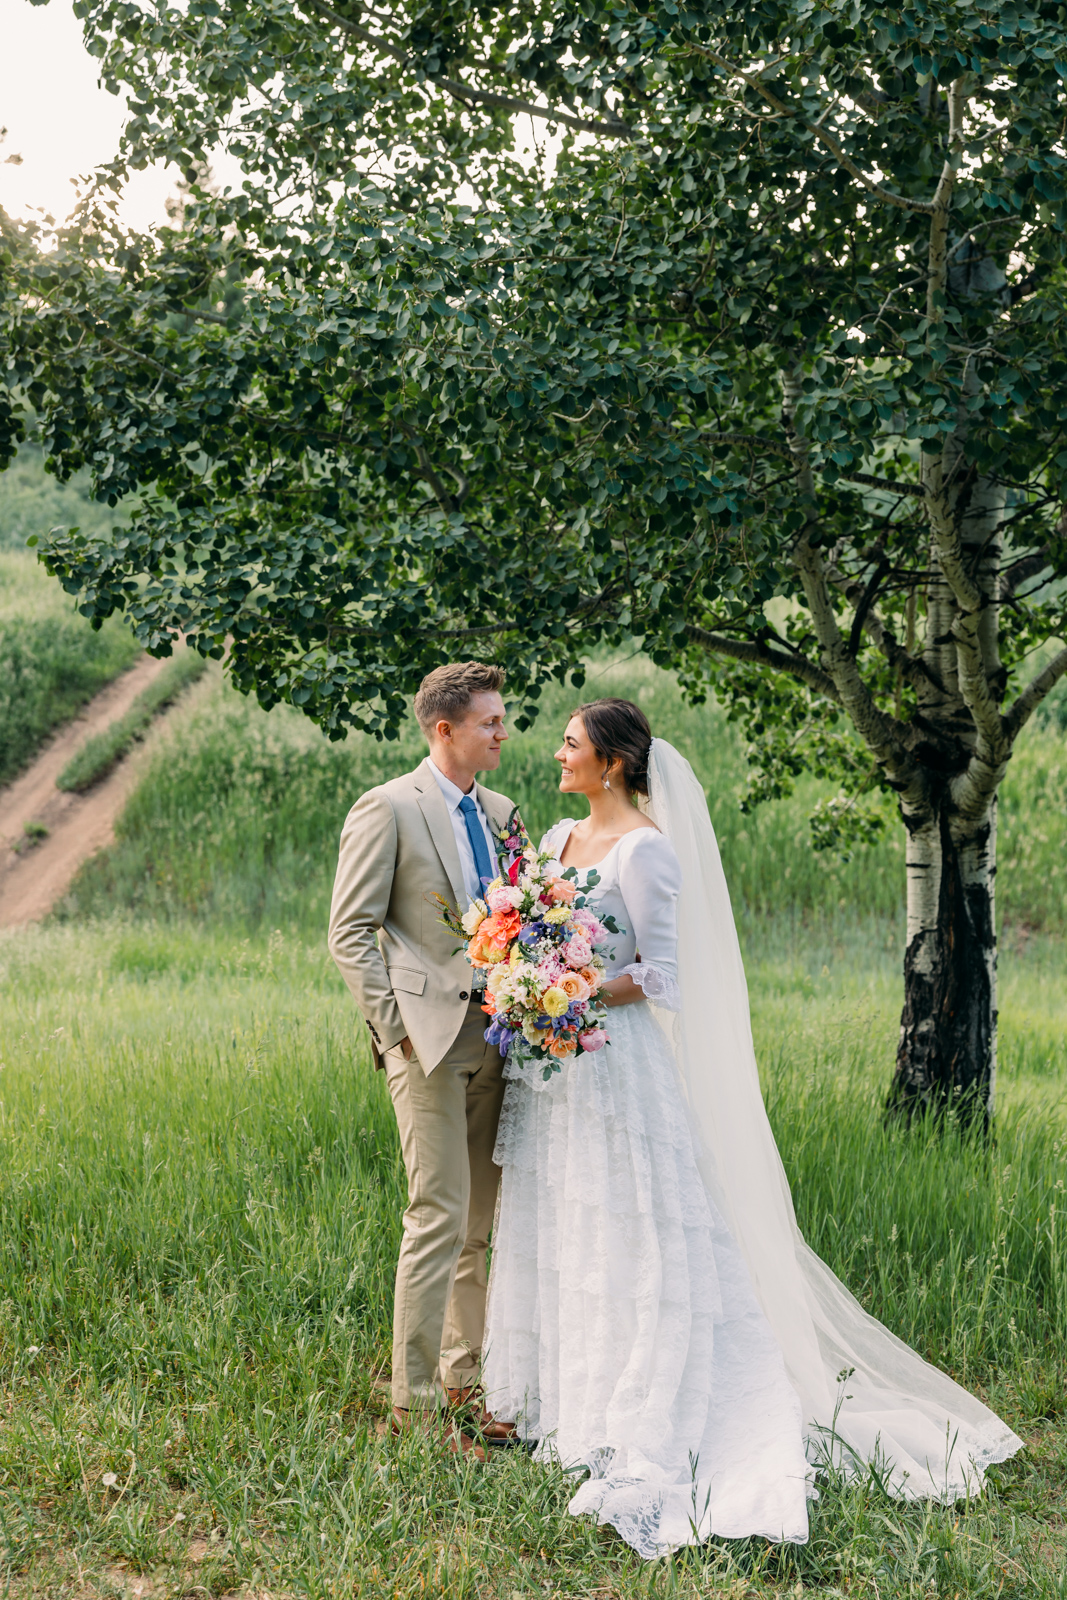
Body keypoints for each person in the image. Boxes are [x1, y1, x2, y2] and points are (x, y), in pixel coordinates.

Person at [482, 697, 1022, 1558]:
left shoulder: (648, 852)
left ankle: (647, 1413)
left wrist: (574, 991)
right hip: (558, 1072)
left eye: (571, 744)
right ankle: (570, 1403)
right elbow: (531, 933)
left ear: (614, 763)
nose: (557, 754)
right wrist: (524, 976)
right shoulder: (551, 840)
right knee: (567, 1219)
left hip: (617, 1062)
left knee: (637, 1234)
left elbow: (663, 973)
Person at [328, 661, 519, 1455]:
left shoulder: (505, 811)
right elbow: (349, 932)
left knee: (479, 1224)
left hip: (502, 1039)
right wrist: (394, 1031)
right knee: (436, 1214)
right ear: (444, 729)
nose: (502, 733)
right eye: (489, 723)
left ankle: (464, 1391)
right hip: (427, 1043)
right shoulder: (388, 808)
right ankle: (409, 1409)